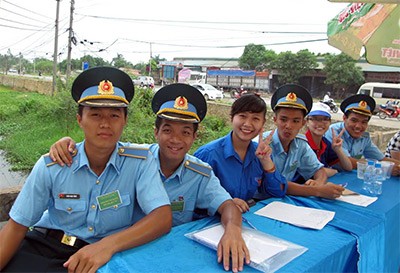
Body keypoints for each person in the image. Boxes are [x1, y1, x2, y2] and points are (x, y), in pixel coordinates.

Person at [48, 83, 250, 272]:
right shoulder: (133, 160)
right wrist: (67, 144)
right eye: (168, 130)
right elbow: (99, 147)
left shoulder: (199, 174)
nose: (176, 140)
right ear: (155, 132)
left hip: (167, 254)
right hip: (123, 251)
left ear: (195, 137)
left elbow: (227, 205)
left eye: (185, 132)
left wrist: (232, 230)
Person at [0, 67, 172, 272]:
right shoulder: (52, 165)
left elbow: (162, 217)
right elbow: (17, 226)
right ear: (80, 119)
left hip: (108, 255)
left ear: (125, 120)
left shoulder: (139, 163)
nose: (105, 124)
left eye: (114, 115)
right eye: (96, 114)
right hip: (48, 248)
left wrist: (108, 245)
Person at [194, 94, 287, 213]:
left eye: (255, 119)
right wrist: (223, 203)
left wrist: (266, 162)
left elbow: (277, 192)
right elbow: (192, 197)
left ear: (263, 123)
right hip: (211, 222)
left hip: (245, 218)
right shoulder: (208, 155)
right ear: (232, 118)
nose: (248, 124)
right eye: (242, 116)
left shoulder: (260, 154)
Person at [257, 84, 345, 200]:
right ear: (275, 120)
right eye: (283, 119)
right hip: (261, 201)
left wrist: (318, 183)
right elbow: (273, 184)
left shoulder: (301, 144)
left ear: (303, 123)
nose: (288, 126)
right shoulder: (262, 145)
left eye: (295, 121)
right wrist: (316, 190)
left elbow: (319, 170)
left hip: (285, 200)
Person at [325, 94, 400, 176]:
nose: (358, 126)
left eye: (364, 122)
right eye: (354, 120)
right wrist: (383, 168)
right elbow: (348, 162)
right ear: (344, 118)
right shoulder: (334, 133)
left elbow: (381, 158)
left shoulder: (364, 137)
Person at [303, 102, 352, 177]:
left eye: (325, 119)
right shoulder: (302, 144)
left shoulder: (325, 143)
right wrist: (334, 171)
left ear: (330, 122)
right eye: (315, 119)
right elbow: (312, 172)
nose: (320, 123)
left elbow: (348, 167)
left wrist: (338, 150)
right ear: (307, 122)